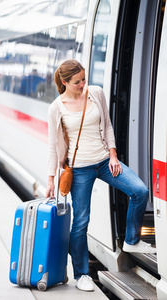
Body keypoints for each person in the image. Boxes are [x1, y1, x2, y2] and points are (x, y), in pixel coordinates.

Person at [46, 59, 156, 292]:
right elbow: (53, 147)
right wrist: (50, 179)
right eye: (77, 82)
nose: (83, 84)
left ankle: (132, 240)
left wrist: (113, 155)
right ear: (64, 82)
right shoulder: (56, 107)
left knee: (140, 191)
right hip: (79, 169)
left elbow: (107, 126)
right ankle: (82, 275)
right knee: (81, 222)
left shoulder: (96, 93)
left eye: (84, 79)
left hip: (105, 161)